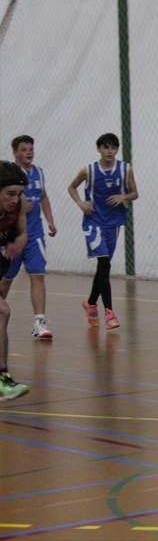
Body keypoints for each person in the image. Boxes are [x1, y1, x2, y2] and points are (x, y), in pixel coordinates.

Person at [67, 133, 139, 330]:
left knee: (103, 267)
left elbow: (135, 193)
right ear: (99, 149)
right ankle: (109, 312)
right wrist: (81, 203)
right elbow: (72, 187)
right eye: (105, 147)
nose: (109, 151)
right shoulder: (89, 170)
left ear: (117, 149)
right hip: (93, 222)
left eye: (113, 147)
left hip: (113, 223)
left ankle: (90, 302)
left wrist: (123, 196)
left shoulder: (125, 169)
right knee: (104, 262)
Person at [0, 136, 57, 339]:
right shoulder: (9, 176)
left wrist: (50, 220)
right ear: (15, 152)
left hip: (34, 235)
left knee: (38, 275)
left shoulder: (38, 172)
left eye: (31, 149)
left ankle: (39, 322)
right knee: (6, 279)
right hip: (11, 237)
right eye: (24, 149)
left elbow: (43, 196)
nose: (29, 152)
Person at [0, 161, 30, 401]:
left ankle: (3, 376)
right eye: (10, 194)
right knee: (2, 312)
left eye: (18, 194)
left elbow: (22, 233)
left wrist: (17, 243)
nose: (15, 199)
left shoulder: (17, 206)